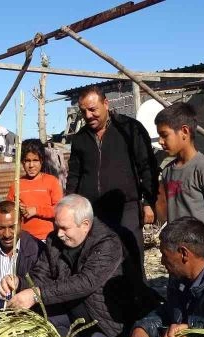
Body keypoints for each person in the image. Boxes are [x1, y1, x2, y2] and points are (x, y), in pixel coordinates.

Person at [0, 194, 145, 337]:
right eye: (56, 226)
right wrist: (20, 283)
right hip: (72, 315)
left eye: (64, 228)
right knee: (39, 334)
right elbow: (41, 275)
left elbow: (86, 282)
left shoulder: (108, 243)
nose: (59, 233)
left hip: (105, 323)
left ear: (85, 225)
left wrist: (36, 294)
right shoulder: (54, 240)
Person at [66, 86, 159, 275]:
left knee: (131, 257)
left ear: (106, 104)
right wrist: (70, 205)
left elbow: (147, 166)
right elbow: (74, 175)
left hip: (127, 208)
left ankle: (138, 301)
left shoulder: (130, 129)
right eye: (83, 111)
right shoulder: (80, 139)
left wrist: (149, 202)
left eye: (93, 109)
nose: (88, 115)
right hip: (93, 210)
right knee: (98, 258)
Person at [155, 102, 204, 260]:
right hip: (177, 252)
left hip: (203, 254)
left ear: (184, 131)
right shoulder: (168, 172)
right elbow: (164, 213)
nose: (160, 141)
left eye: (164, 135)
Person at [7, 139, 63, 241]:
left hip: (48, 238)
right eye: (27, 161)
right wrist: (17, 209)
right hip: (24, 239)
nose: (31, 165)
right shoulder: (16, 184)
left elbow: (59, 210)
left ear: (42, 161)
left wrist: (36, 210)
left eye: (35, 160)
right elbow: (7, 211)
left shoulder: (51, 181)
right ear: (22, 162)